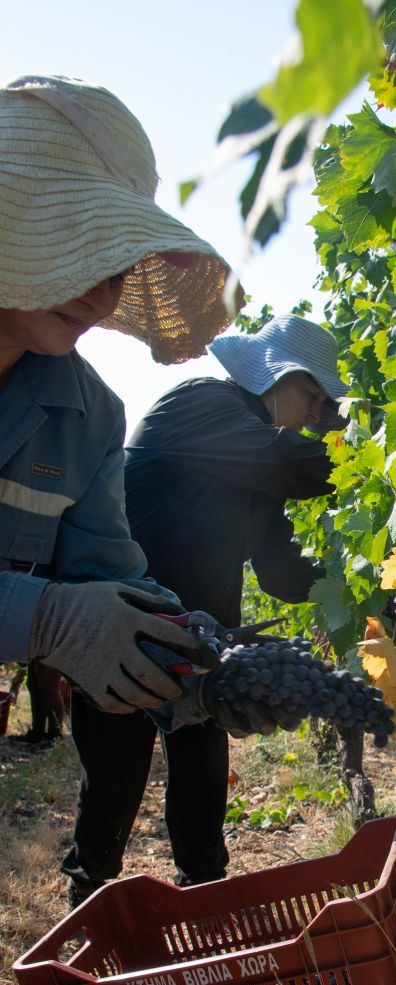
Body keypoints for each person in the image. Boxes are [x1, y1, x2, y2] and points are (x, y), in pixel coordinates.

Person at [0, 73, 242, 905]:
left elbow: (104, 568)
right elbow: (61, 610)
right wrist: (46, 618)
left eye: (117, 259)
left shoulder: (90, 414)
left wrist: (197, 660)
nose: (105, 291)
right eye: (79, 240)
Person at [60, 314, 345, 893]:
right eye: (312, 396)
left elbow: (283, 575)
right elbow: (291, 463)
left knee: (202, 787)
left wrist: (357, 586)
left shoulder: (257, 465)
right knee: (113, 787)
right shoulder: (203, 405)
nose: (316, 414)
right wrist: (372, 449)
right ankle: (89, 912)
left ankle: (203, 903)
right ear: (274, 375)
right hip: (126, 626)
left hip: (204, 647)